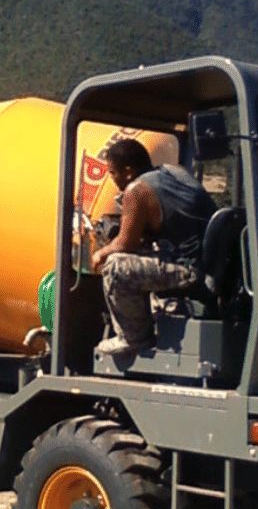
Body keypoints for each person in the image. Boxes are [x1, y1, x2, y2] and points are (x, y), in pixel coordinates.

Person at [89, 138, 217, 354]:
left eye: (113, 173)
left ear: (128, 172)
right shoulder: (174, 173)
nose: (112, 178)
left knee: (114, 266)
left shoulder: (136, 190)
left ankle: (133, 337)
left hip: (189, 270)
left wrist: (99, 253)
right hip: (206, 263)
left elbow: (124, 244)